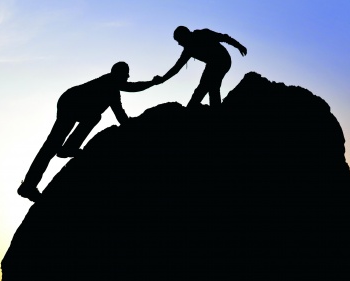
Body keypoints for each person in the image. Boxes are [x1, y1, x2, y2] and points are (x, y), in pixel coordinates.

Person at [18, 62, 161, 202]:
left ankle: (67, 148)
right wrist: (152, 82)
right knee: (52, 145)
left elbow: (122, 111)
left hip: (72, 101)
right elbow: (130, 92)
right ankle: (29, 185)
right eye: (125, 76)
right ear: (119, 75)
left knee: (93, 117)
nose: (127, 78)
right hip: (71, 102)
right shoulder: (110, 84)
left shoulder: (112, 88)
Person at [156, 26, 247, 107]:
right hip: (212, 64)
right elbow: (176, 68)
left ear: (185, 35)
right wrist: (163, 79)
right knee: (209, 87)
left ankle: (195, 108)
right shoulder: (188, 50)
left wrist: (239, 46)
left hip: (223, 60)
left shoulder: (203, 34)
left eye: (179, 40)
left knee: (209, 87)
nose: (179, 44)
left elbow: (224, 38)